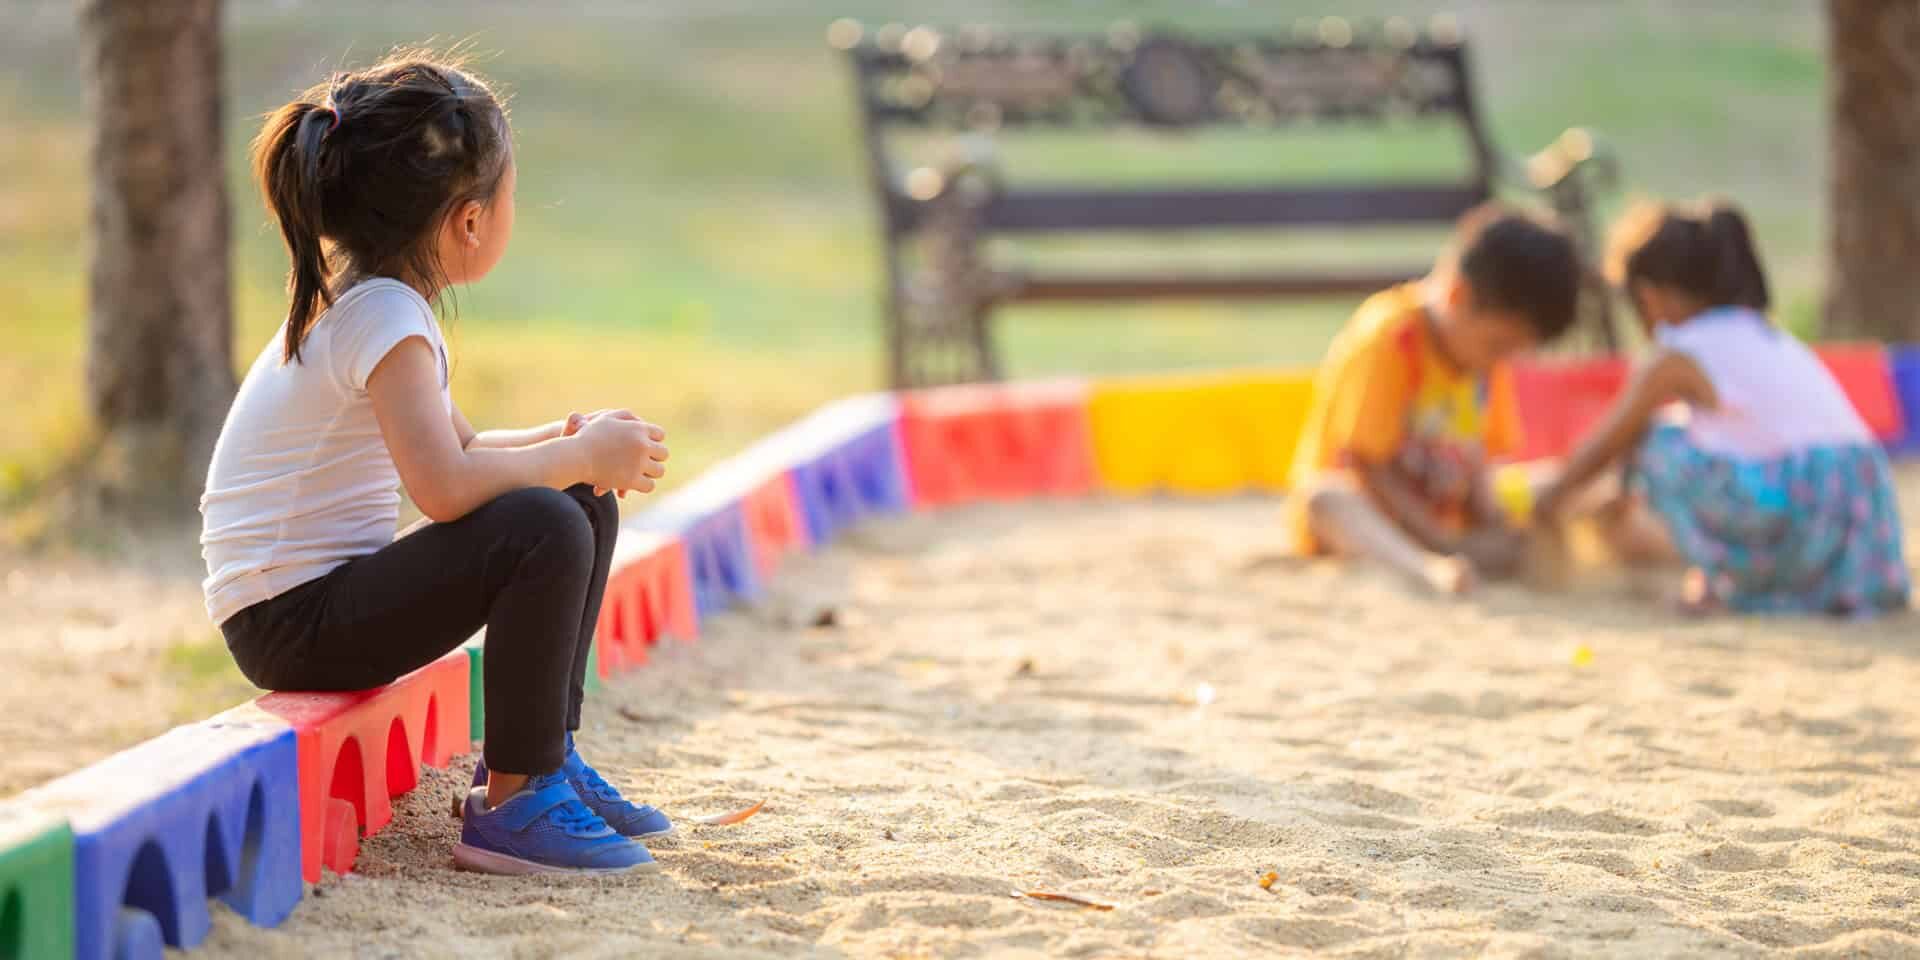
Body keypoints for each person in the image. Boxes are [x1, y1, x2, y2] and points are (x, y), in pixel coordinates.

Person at [202, 52, 672, 874]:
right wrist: (570, 455)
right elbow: (446, 490)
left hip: (309, 606)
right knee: (545, 521)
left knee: (578, 496)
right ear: (468, 222)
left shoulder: (374, 302)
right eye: (511, 197)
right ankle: (518, 805)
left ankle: (544, 761)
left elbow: (462, 449)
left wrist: (569, 444)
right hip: (290, 623)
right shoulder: (384, 316)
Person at [1534, 199, 1908, 615]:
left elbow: (1608, 442)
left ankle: (1727, 581)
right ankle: (1737, 581)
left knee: (1652, 441)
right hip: (1864, 519)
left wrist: (1548, 498)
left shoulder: (1679, 353)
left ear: (1650, 296)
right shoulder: (1769, 336)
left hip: (1805, 511)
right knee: (1676, 431)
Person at [1286, 205, 1582, 594]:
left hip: (1444, 516)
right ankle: (1425, 570)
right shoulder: (1393, 338)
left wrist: (1493, 521)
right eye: (1499, 345)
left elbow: (1480, 460)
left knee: (1566, 484)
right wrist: (1439, 542)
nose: (1504, 360)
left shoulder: (1486, 361)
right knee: (1324, 498)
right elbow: (1366, 465)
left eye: (1516, 351)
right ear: (1458, 295)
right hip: (1377, 517)